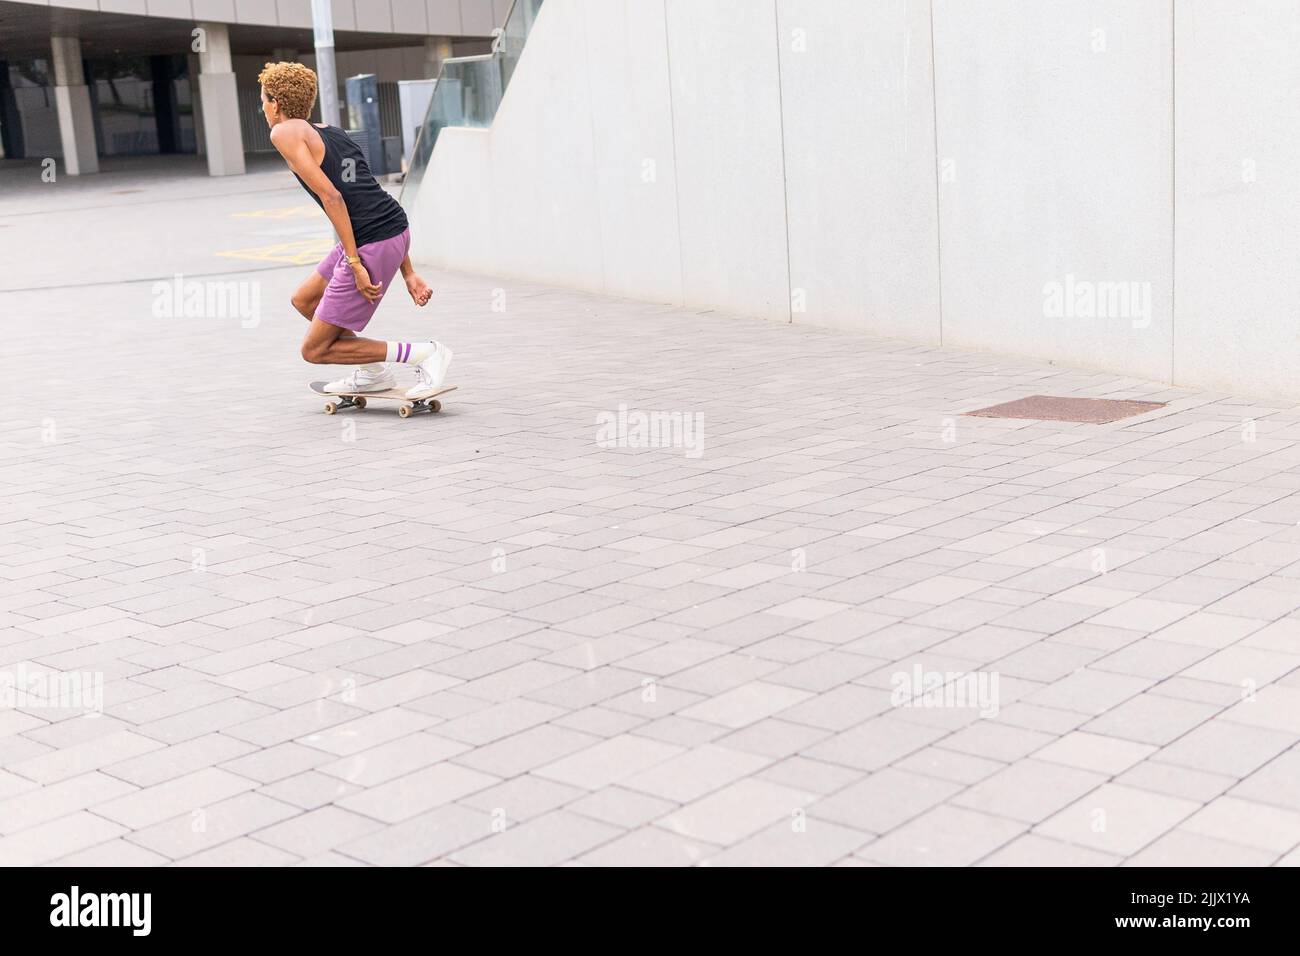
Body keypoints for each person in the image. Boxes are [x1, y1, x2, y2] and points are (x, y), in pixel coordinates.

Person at [258, 61, 451, 397]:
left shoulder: (284, 132)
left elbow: (332, 196)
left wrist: (355, 263)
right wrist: (408, 271)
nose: (262, 107)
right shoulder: (331, 130)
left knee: (314, 350)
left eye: (263, 99)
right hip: (389, 229)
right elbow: (368, 195)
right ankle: (374, 372)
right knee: (305, 300)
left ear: (276, 102)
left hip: (371, 241)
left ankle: (425, 353)